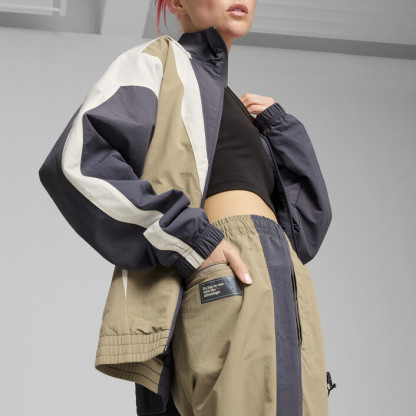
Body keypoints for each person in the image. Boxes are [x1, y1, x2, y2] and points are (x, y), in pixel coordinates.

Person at [39, 0, 334, 415]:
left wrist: (283, 131)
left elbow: (306, 230)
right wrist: (191, 238)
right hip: (227, 265)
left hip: (284, 280)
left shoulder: (242, 112)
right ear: (177, 3)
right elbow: (77, 162)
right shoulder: (160, 62)